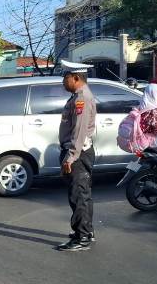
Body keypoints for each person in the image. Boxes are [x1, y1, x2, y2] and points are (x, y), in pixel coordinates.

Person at [56, 61, 97, 252]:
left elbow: (79, 131)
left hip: (78, 154)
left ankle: (83, 237)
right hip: (79, 152)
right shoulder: (78, 96)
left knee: (78, 195)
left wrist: (70, 157)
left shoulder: (82, 98)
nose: (63, 82)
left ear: (75, 78)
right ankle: (86, 231)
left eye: (65, 78)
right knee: (82, 194)